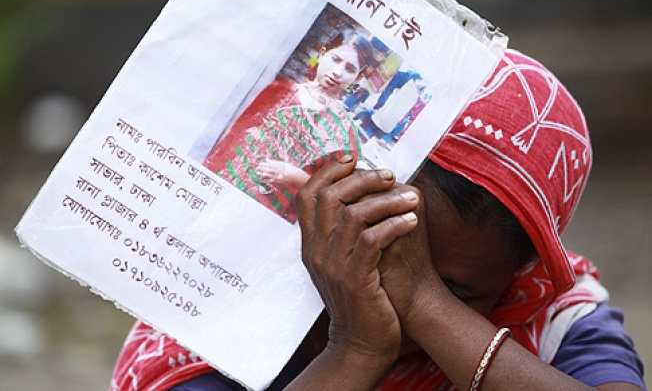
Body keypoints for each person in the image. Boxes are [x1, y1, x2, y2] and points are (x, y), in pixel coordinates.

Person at [110, 49, 646, 390]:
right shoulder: (220, 313)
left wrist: (425, 304)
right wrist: (355, 352)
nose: (391, 294)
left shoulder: (545, 319)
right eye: (380, 250)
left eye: (457, 294)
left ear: (518, 275)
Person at [201, 32, 371, 223]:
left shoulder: (344, 133)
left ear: (357, 78)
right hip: (221, 187)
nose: (337, 72)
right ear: (322, 53)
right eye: (335, 59)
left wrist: (295, 175)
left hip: (263, 218)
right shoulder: (279, 91)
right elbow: (231, 140)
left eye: (349, 69)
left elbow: (337, 195)